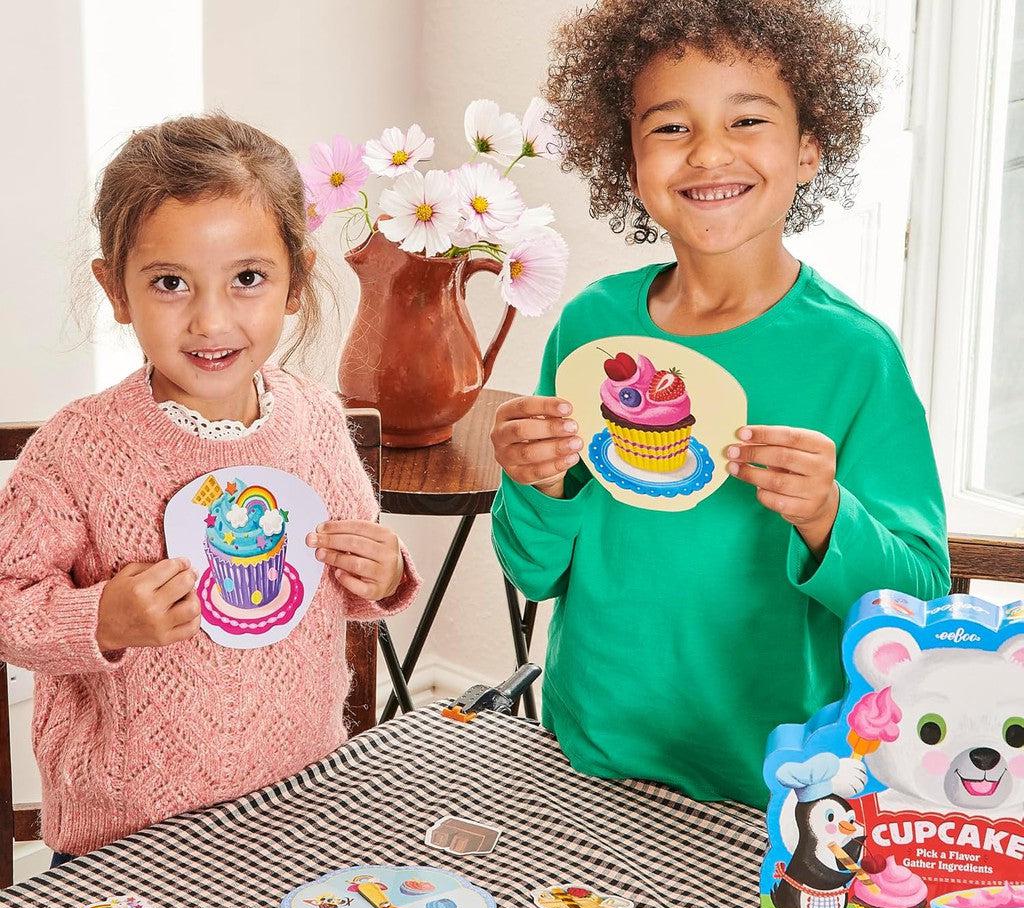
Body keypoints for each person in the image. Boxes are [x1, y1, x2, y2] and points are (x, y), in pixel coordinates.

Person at [490, 0, 949, 807]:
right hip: (591, 746)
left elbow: (919, 605)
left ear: (809, 149)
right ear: (626, 156)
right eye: (670, 128)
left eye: (747, 120)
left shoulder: (854, 357)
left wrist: (827, 516)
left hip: (778, 778)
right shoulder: (592, 325)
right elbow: (536, 570)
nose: (707, 153)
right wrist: (534, 483)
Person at [0, 114, 420, 860]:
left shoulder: (318, 423)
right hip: (126, 838)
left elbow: (348, 577)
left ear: (294, 280)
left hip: (297, 807)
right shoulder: (76, 449)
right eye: (169, 283)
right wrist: (102, 618)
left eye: (248, 279)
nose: (210, 319)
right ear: (116, 289)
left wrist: (382, 574)